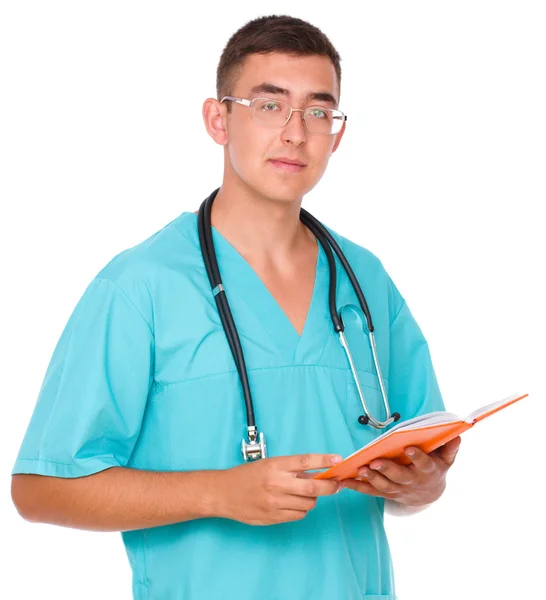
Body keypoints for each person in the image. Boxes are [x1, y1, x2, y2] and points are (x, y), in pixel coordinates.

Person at [10, 14, 461, 600]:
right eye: (269, 106)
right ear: (218, 119)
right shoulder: (141, 286)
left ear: (337, 133)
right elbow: (41, 488)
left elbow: (417, 463)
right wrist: (218, 493)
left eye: (318, 112)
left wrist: (421, 488)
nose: (296, 132)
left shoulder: (366, 281)